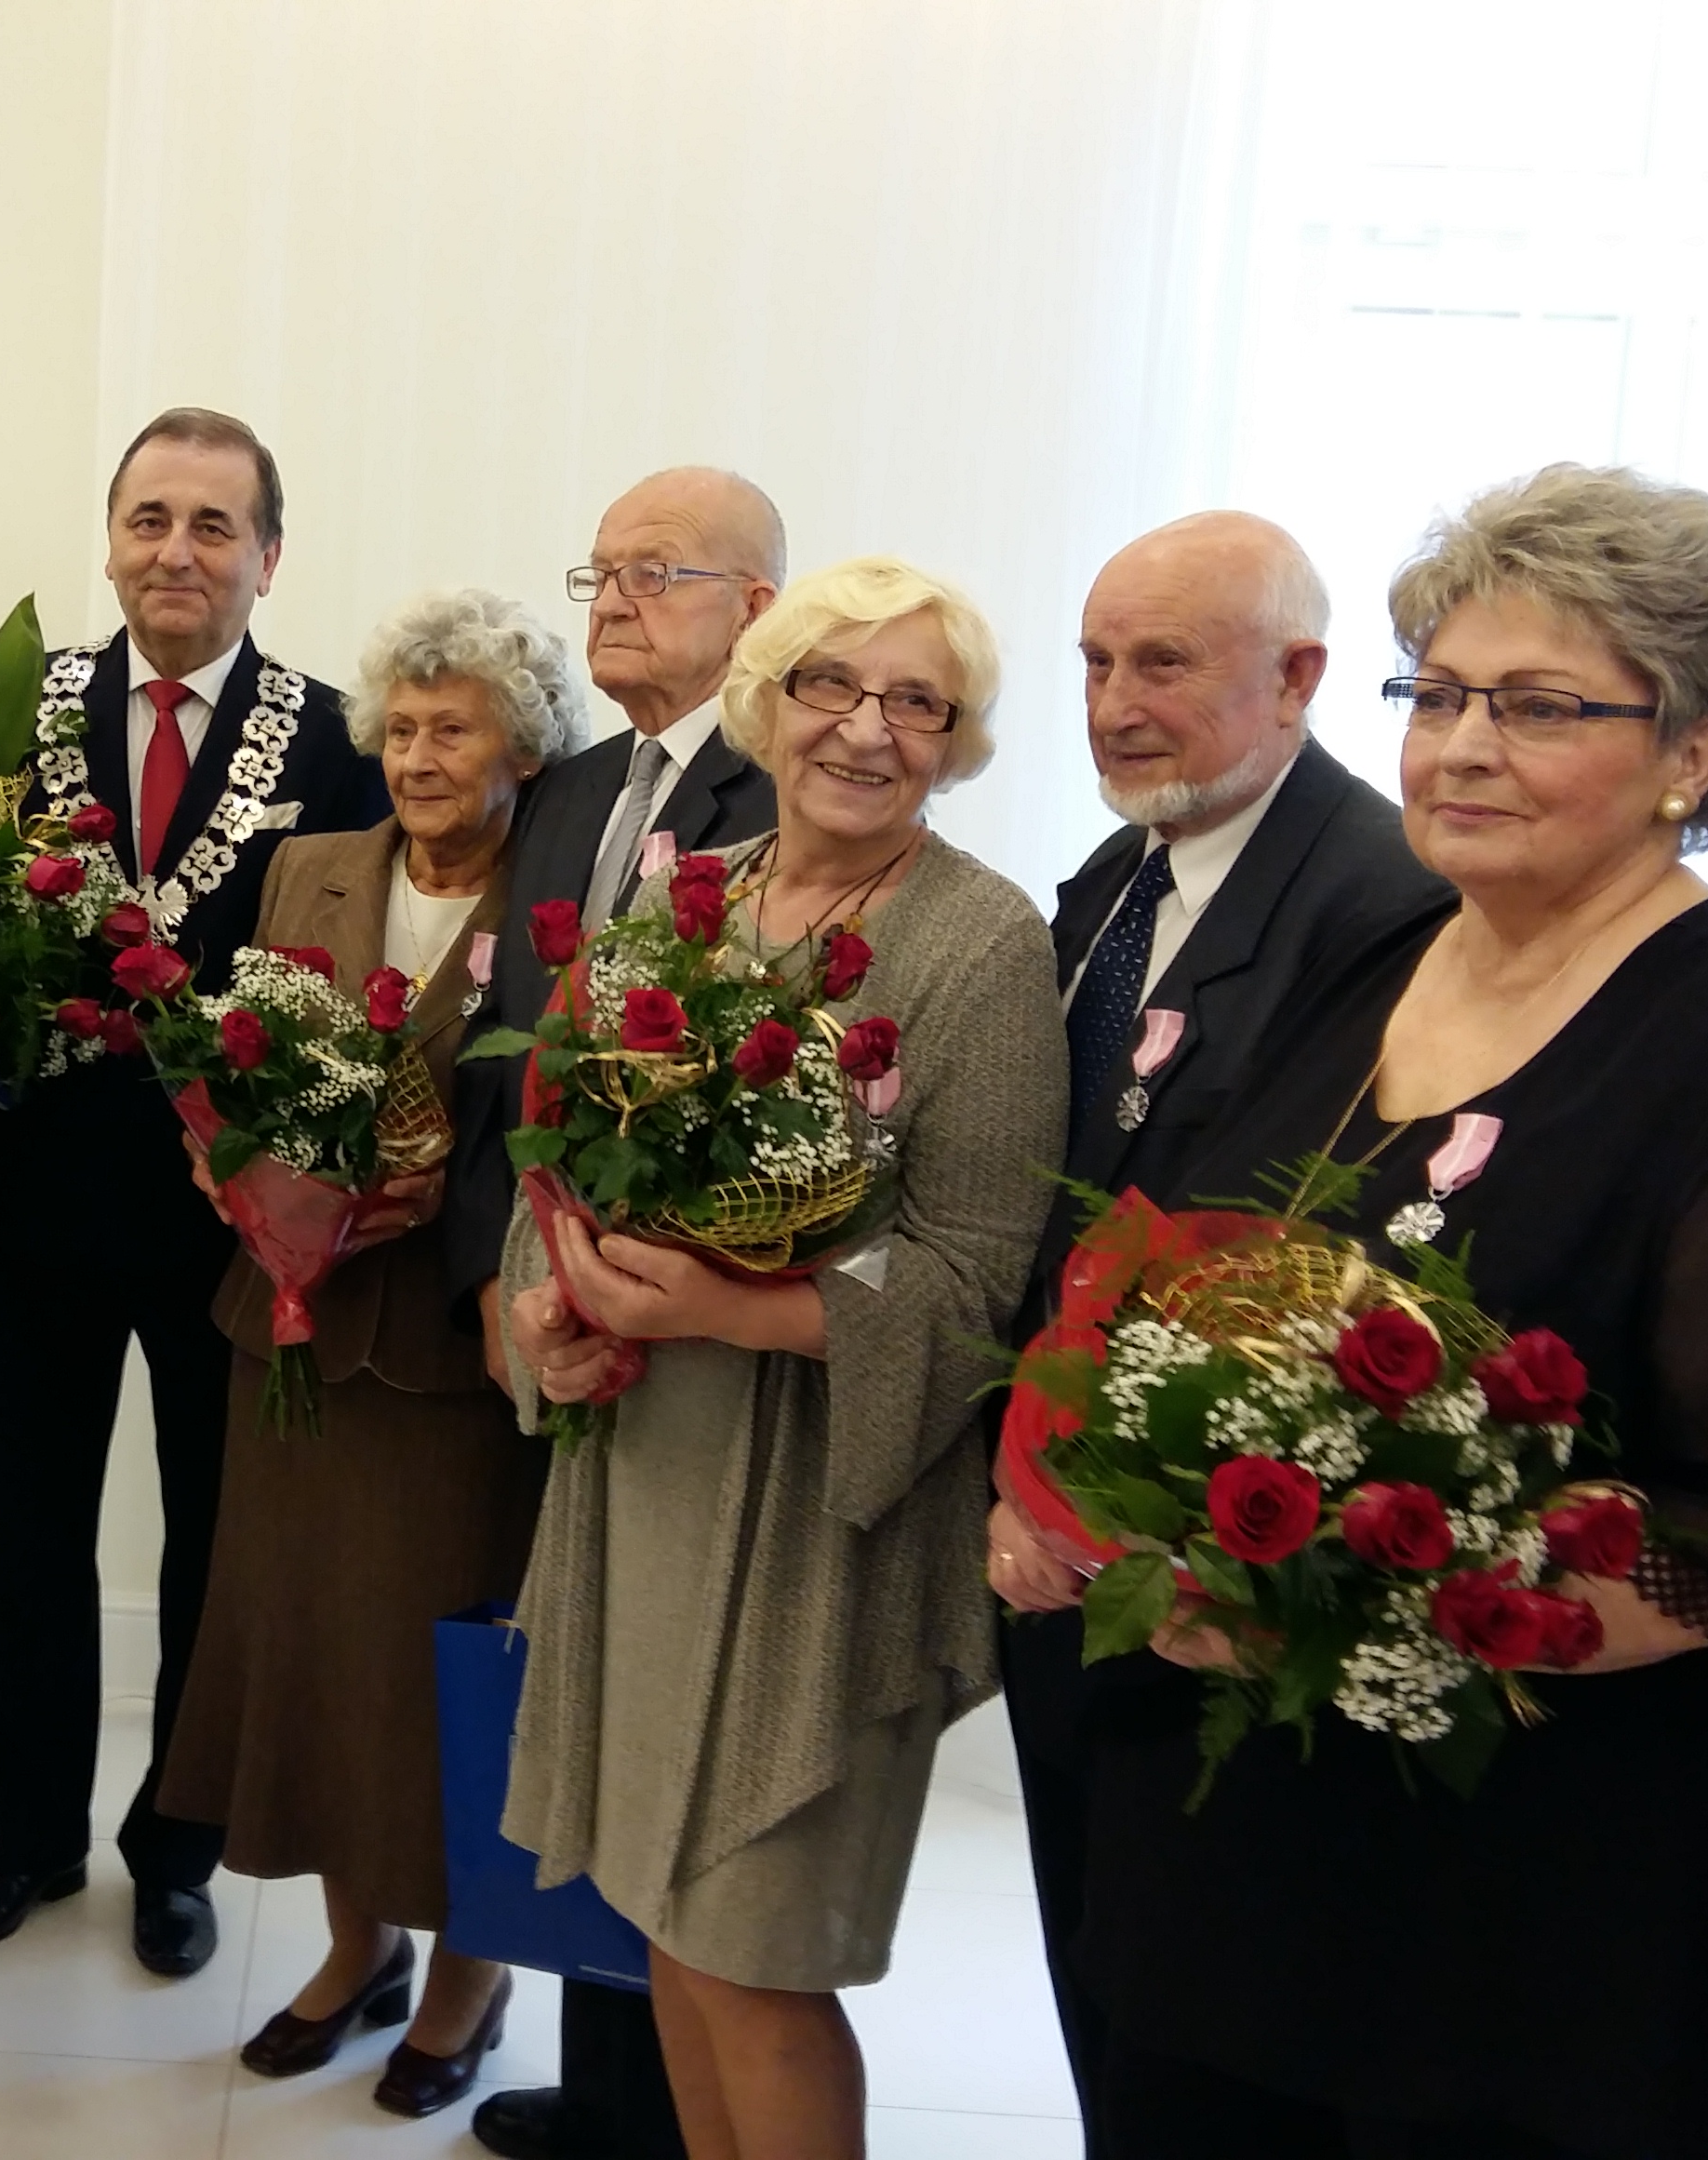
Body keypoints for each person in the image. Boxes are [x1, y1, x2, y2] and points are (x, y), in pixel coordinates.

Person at [1021, 466, 1708, 2156]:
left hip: (1532, 1904)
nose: (1459, 747)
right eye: (1434, 695)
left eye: (1538, 705)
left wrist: (1357, 1618)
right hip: (1237, 1853)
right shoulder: (1386, 953)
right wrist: (1088, 1501)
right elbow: (1191, 1274)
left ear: (1692, 751)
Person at [499, 556, 1062, 2160]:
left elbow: (976, 1281)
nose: (867, 730)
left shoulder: (981, 945)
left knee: (759, 1957)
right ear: (767, 697)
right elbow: (562, 1163)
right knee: (668, 1930)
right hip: (648, 1481)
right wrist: (556, 1308)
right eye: (831, 685)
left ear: (955, 740)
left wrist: (726, 1309)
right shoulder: (687, 897)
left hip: (817, 1514)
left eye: (917, 702)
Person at [0, 407, 385, 1978]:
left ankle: (176, 1848)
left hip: (232, 1217)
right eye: (150, 518)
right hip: (34, 1189)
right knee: (26, 1518)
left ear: (268, 557)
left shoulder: (339, 739)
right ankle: (23, 1839)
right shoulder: (11, 715)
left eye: (214, 524)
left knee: (212, 1535)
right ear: (110, 539)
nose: (178, 551)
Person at [989, 510, 1448, 2119]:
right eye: (1095, 662)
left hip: (1215, 1564)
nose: (1115, 704)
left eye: (1162, 663)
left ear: (1300, 675)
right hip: (1054, 1534)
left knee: (1197, 2036)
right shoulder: (1115, 876)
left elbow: (1303, 1253)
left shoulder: (1385, 897)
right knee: (1093, 1971)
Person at [157, 589, 580, 2117]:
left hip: (453, 1357)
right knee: (316, 1660)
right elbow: (241, 1057)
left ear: (520, 749)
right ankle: (357, 1949)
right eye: (398, 728)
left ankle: (468, 1976)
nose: (416, 756)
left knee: (445, 1680)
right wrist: (231, 1159)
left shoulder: (562, 894)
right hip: (291, 1326)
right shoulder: (308, 867)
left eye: (451, 728)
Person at [448, 465, 781, 2160]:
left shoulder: (789, 787)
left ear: (758, 608)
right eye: (602, 571)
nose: (618, 598)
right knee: (574, 1708)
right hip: (550, 1319)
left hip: (701, 1346)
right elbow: (510, 1062)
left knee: (669, 1738)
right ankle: (604, 2092)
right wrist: (501, 1283)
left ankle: (665, 2109)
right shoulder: (576, 786)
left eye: (659, 570)